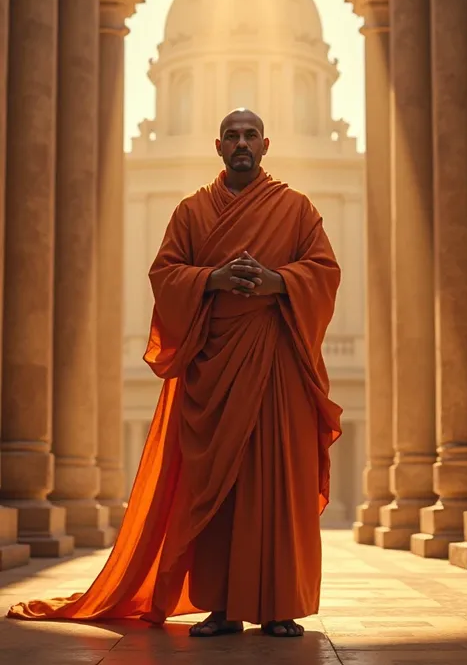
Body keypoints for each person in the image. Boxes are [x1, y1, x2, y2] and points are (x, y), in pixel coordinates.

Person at [7, 108, 342, 639]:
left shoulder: (296, 209)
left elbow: (324, 270)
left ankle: (280, 606)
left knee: (278, 486)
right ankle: (223, 609)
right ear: (218, 146)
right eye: (232, 136)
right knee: (215, 490)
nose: (241, 144)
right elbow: (165, 272)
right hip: (213, 367)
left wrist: (278, 281)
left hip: (276, 367)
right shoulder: (192, 211)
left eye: (249, 135)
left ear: (265, 144)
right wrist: (214, 277)